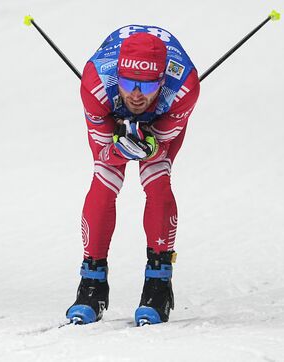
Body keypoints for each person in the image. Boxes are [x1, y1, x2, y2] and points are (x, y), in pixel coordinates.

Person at [66, 25, 200, 326]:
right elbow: (103, 152)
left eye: (148, 87)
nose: (137, 95)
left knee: (157, 177)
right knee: (105, 177)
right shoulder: (96, 82)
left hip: (163, 115)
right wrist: (121, 146)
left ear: (162, 81)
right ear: (118, 76)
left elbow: (161, 146)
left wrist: (147, 145)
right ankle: (92, 284)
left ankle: (158, 285)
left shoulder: (184, 86)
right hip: (109, 109)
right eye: (129, 83)